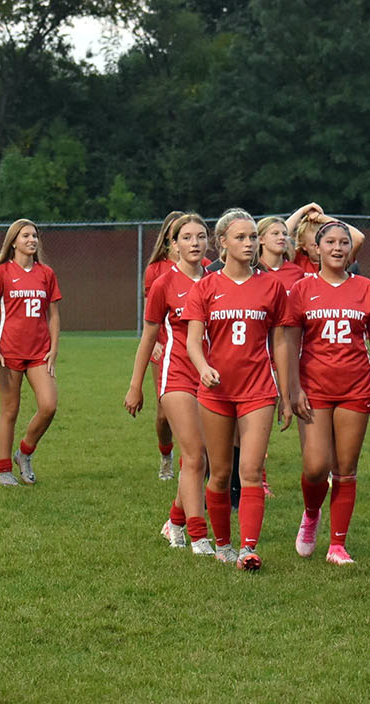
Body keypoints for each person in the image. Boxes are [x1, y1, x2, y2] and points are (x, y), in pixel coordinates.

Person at [184, 208, 294, 569]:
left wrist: (286, 392)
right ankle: (223, 544)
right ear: (223, 243)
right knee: (218, 472)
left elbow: (280, 342)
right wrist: (203, 368)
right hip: (215, 391)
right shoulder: (206, 287)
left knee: (249, 471)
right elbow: (194, 341)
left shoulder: (271, 286)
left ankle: (248, 548)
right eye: (241, 237)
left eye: (252, 237)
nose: (249, 243)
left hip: (259, 389)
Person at [282, 220, 370, 565]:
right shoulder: (302, 289)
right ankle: (311, 514)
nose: (338, 248)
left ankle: (337, 545)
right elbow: (289, 342)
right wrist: (291, 390)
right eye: (330, 243)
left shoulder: (367, 288)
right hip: (314, 388)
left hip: (355, 387)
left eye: (344, 243)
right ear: (316, 249)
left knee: (345, 468)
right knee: (315, 467)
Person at [127, 213, 213, 555]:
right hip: (175, 373)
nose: (195, 243)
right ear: (172, 244)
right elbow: (148, 336)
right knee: (194, 454)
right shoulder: (164, 283)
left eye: (200, 236)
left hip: (210, 377)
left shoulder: (216, 279)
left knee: (201, 457)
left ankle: (174, 520)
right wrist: (136, 385)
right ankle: (199, 536)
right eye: (187, 237)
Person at [0, 219, 60, 486]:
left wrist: (54, 349)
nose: (32, 240)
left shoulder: (46, 273)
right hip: (9, 352)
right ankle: (4, 470)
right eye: (25, 235)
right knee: (9, 411)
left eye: (35, 235)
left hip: (39, 352)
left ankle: (24, 453)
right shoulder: (1, 272)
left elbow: (54, 315)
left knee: (49, 405)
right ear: (13, 241)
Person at [143, 210, 184, 481]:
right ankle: (166, 454)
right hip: (165, 349)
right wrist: (154, 344)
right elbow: (151, 313)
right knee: (163, 415)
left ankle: (190, 464)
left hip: (197, 351)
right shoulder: (156, 269)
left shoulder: (206, 266)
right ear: (170, 236)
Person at [285, 203, 365, 275]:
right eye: (314, 245)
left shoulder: (335, 260)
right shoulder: (298, 259)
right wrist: (303, 210)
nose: (318, 249)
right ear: (304, 246)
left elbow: (359, 238)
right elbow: (280, 237)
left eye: (328, 242)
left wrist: (323, 218)